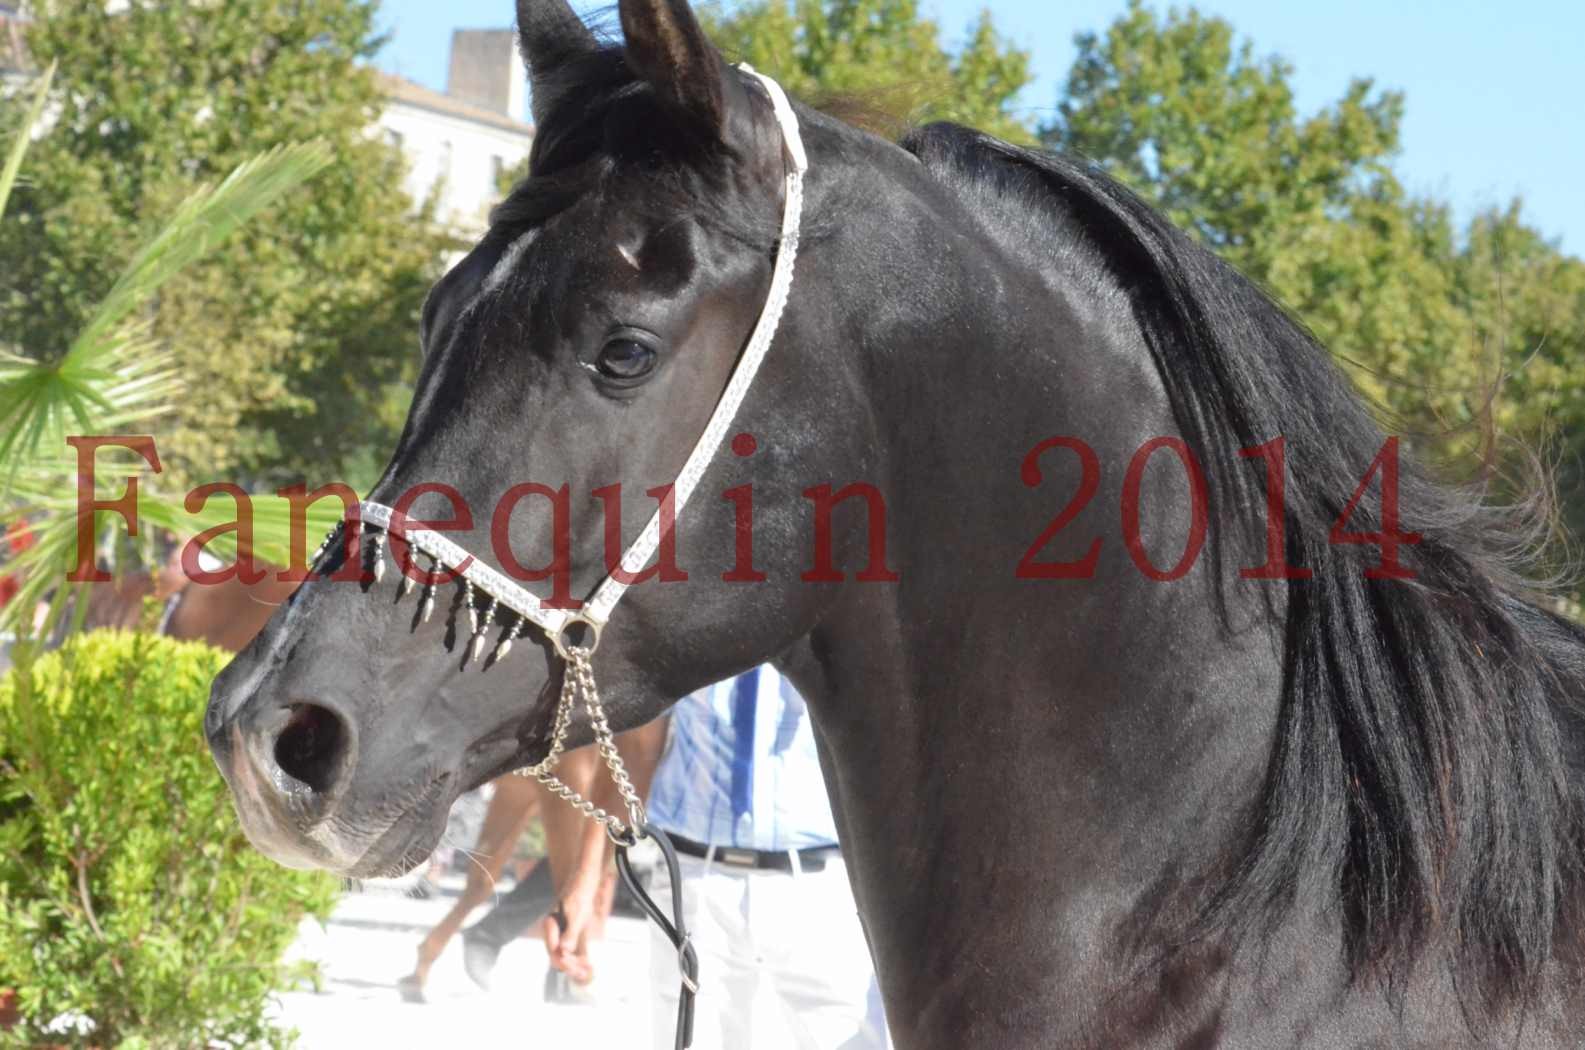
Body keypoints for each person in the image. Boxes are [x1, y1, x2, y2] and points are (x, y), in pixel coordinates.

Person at [549, 666, 890, 1050]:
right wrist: (583, 884)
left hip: (820, 889)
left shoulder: (836, 618)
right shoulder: (685, 618)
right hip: (695, 885)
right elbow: (636, 753)